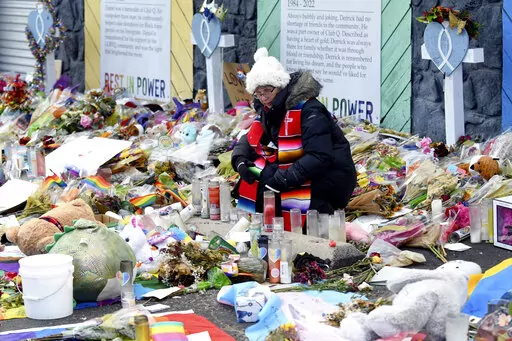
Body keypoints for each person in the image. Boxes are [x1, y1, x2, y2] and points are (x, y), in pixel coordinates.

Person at [231, 48, 357, 231]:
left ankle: (316, 218)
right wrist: (240, 160)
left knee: (280, 191)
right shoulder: (268, 108)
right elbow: (251, 138)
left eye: (267, 90)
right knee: (257, 178)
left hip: (330, 175)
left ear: (280, 86)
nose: (263, 97)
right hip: (300, 167)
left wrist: (282, 179)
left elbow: (319, 156)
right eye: (258, 93)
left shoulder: (309, 110)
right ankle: (259, 229)